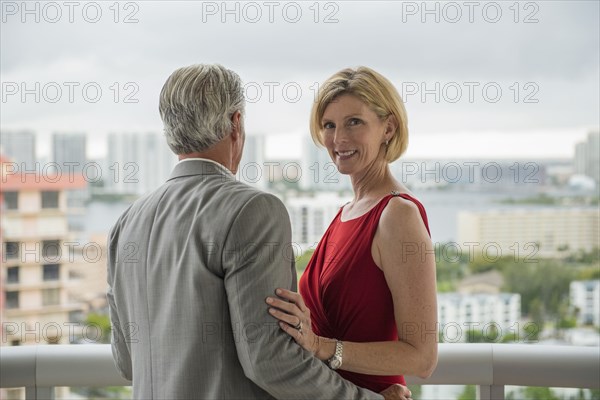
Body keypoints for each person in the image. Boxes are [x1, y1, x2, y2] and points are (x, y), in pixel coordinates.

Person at [106, 64, 413, 400]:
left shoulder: (126, 224)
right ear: (236, 123)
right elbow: (270, 360)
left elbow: (128, 362)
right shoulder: (252, 211)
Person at [266, 67, 438, 393]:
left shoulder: (397, 215)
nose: (339, 139)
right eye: (329, 125)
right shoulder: (345, 213)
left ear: (388, 128)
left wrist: (320, 346)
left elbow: (422, 358)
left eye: (354, 122)